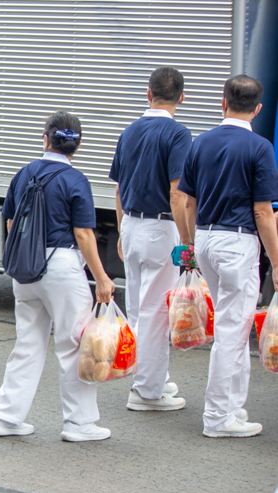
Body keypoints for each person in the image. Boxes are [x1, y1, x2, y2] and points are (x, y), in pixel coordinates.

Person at [0, 111, 116, 442]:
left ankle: (6, 417)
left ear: (45, 138)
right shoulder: (76, 180)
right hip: (62, 266)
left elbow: (12, 224)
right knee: (74, 344)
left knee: (27, 344)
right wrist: (101, 277)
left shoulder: (24, 173)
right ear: (78, 144)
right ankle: (79, 423)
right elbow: (84, 235)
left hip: (26, 267)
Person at [178, 74, 278, 438]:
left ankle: (233, 408)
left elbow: (188, 201)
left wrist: (190, 244)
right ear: (258, 109)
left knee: (229, 326)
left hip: (205, 238)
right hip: (237, 244)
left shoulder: (200, 143)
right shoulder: (259, 147)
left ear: (223, 102)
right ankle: (218, 418)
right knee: (232, 333)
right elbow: (263, 212)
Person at [109, 67, 190, 411]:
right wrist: (187, 242)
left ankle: (151, 377)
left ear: (148, 94)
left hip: (132, 224)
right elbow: (177, 193)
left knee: (140, 309)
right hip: (161, 228)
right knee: (157, 312)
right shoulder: (178, 134)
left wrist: (120, 230)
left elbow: (117, 188)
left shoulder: (129, 131)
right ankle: (146, 392)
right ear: (182, 98)